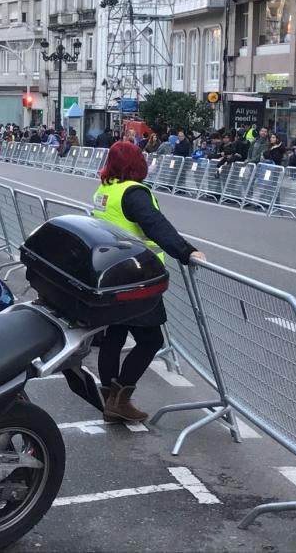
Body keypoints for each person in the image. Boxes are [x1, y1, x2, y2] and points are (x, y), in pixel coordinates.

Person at [92, 141, 206, 421]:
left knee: (114, 337)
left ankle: (109, 396)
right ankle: (120, 399)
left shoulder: (105, 191)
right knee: (150, 339)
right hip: (137, 276)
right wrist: (187, 252)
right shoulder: (134, 193)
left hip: (110, 275)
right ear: (137, 164)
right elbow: (156, 226)